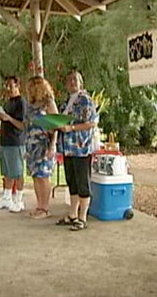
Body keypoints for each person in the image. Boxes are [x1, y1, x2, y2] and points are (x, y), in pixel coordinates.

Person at [55, 70, 98, 231]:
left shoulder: (85, 100)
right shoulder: (66, 102)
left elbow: (91, 123)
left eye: (75, 80)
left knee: (82, 182)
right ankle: (72, 214)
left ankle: (83, 217)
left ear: (81, 82)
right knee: (71, 181)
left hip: (81, 147)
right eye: (69, 80)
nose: (72, 82)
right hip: (67, 148)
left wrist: (71, 127)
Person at [22, 76, 59, 219]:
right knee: (36, 176)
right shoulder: (31, 105)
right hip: (31, 145)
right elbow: (25, 125)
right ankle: (39, 205)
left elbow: (56, 125)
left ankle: (45, 208)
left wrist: (52, 145)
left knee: (43, 176)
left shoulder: (48, 103)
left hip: (44, 144)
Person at [0, 76, 27, 212]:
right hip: (5, 140)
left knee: (17, 172)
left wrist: (8, 118)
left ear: (18, 86)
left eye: (11, 86)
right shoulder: (8, 102)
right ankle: (6, 197)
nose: (8, 89)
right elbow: (4, 118)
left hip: (15, 142)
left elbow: (22, 125)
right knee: (6, 171)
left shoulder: (21, 103)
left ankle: (19, 199)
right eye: (6, 86)